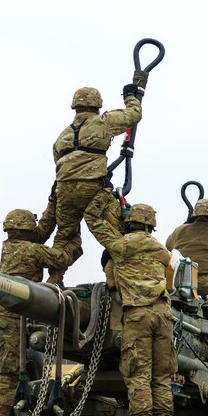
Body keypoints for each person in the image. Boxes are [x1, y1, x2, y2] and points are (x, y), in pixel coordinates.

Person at [0, 198, 80, 416]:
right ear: (27, 230)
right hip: (11, 321)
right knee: (8, 374)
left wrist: (54, 201)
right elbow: (61, 258)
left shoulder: (11, 247)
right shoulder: (31, 250)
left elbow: (43, 231)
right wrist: (75, 240)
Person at [47, 85, 142, 285]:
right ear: (97, 106)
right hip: (93, 188)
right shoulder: (102, 122)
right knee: (115, 229)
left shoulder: (62, 136)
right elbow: (133, 115)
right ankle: (119, 278)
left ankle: (54, 279)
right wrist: (130, 96)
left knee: (64, 235)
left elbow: (58, 161)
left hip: (64, 189)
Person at [105, 203, 175, 416]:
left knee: (139, 376)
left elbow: (112, 284)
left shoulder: (119, 248)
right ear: (151, 224)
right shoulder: (162, 250)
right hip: (163, 314)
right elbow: (169, 281)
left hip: (137, 316)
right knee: (162, 377)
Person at [164, 198, 208, 318]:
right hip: (204, 283)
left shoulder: (180, 230)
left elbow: (168, 248)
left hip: (179, 281)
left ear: (194, 215)